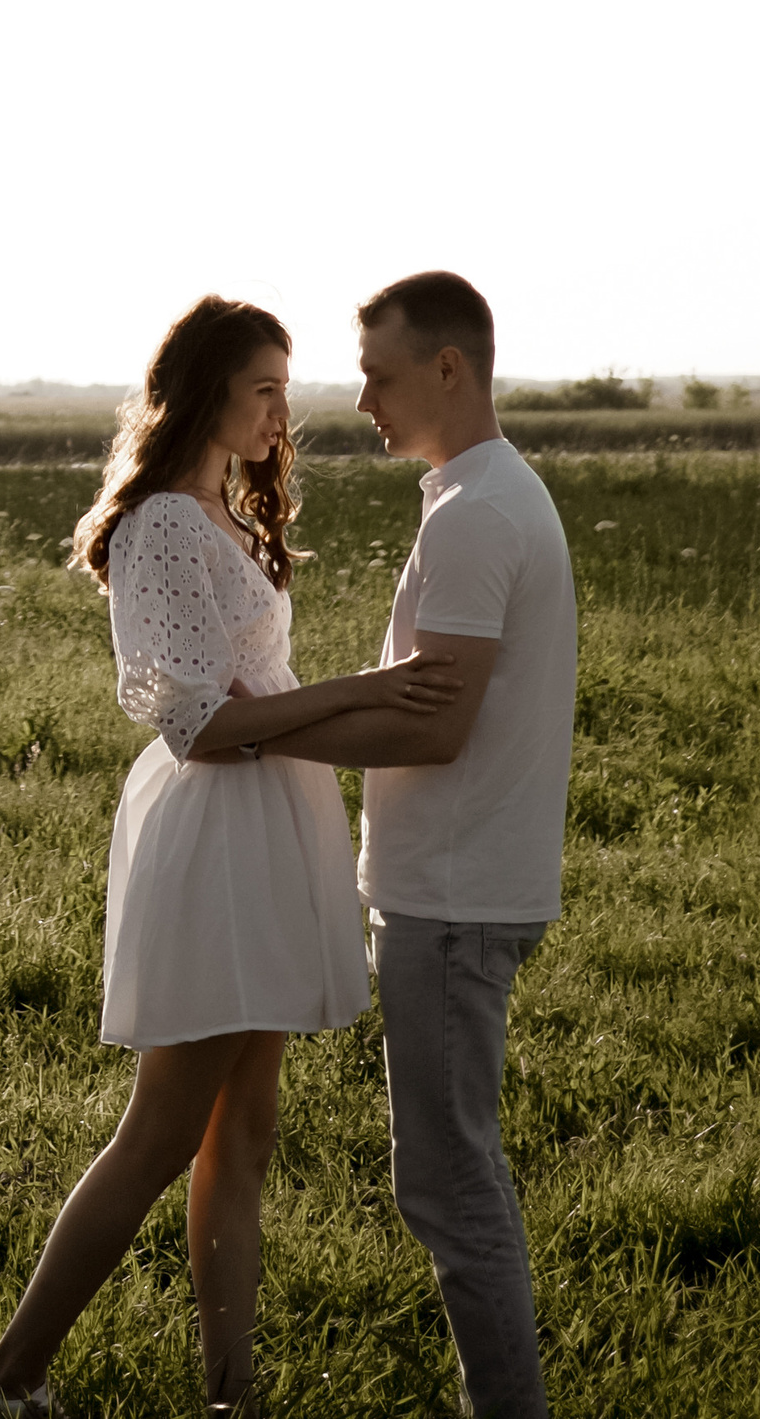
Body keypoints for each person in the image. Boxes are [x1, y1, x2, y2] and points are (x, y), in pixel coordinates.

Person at [0, 296, 464, 1419]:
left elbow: (258, 692)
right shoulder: (162, 527)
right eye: (264, 388)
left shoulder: (226, 513)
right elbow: (197, 723)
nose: (285, 411)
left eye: (285, 386)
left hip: (270, 824)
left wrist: (354, 707)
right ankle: (3, 1382)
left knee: (247, 1131)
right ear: (205, 392)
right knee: (161, 1131)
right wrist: (369, 689)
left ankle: (232, 1395)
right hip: (217, 832)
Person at [252, 273, 577, 1419]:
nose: (360, 400)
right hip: (461, 885)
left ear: (448, 367)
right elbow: (421, 698)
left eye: (377, 375)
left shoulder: (478, 512)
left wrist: (256, 730)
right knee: (453, 1175)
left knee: (448, 1186)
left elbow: (432, 726)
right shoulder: (480, 494)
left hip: (453, 894)